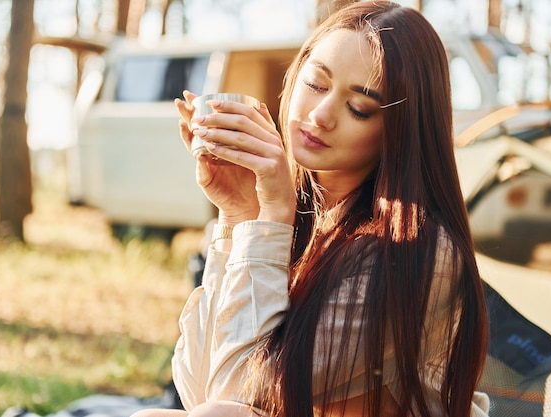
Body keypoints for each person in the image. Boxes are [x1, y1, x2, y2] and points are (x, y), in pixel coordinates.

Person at [139, 2, 490, 416]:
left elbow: (234, 396)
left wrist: (268, 219)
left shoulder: (418, 251)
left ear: (401, 131)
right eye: (317, 85)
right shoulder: (305, 217)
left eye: (359, 108)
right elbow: (199, 387)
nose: (320, 116)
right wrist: (238, 215)